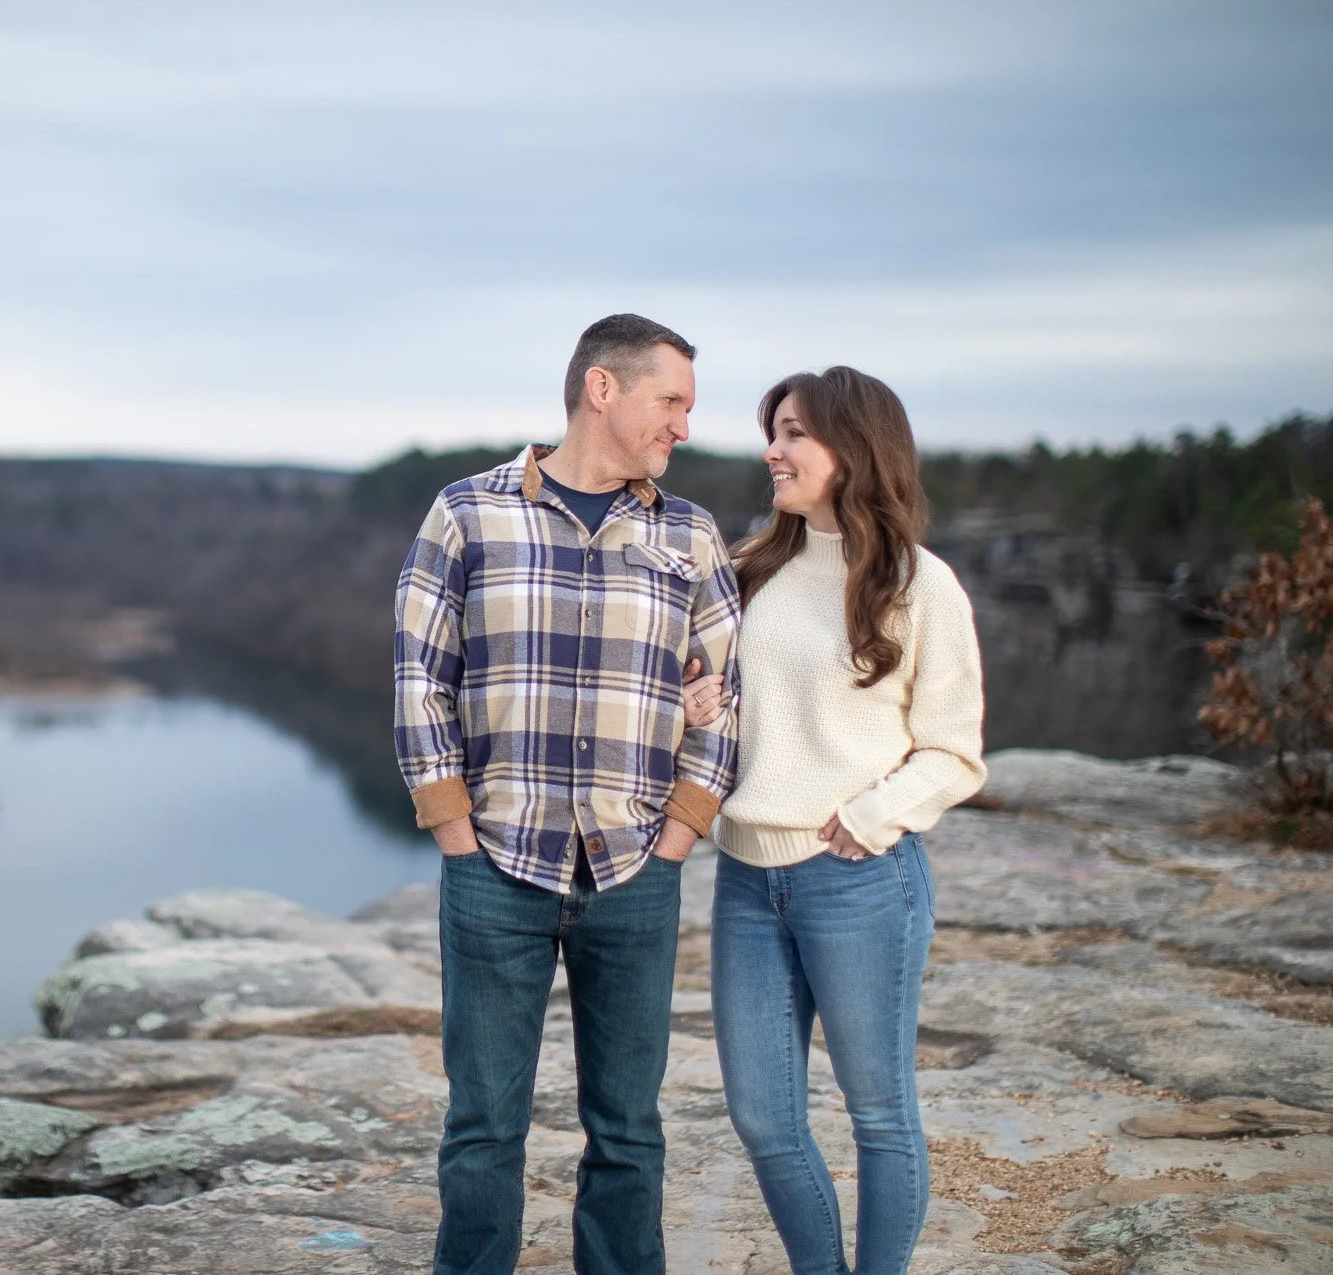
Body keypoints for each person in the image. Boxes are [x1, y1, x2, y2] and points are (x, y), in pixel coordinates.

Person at [393, 313, 741, 1275]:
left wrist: (683, 830)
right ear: (602, 388)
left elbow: (725, 695)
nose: (681, 424)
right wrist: (453, 827)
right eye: (670, 401)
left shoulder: (691, 534)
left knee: (628, 1129)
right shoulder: (467, 512)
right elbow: (422, 678)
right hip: (495, 865)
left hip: (636, 868)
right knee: (483, 1126)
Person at [681, 366, 984, 1275]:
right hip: (745, 879)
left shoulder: (920, 585)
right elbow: (721, 712)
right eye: (773, 430)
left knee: (880, 1111)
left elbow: (955, 750)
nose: (773, 449)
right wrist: (698, 707)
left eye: (796, 433)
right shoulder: (747, 569)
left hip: (857, 881)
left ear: (855, 449)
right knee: (764, 1118)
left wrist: (871, 812)